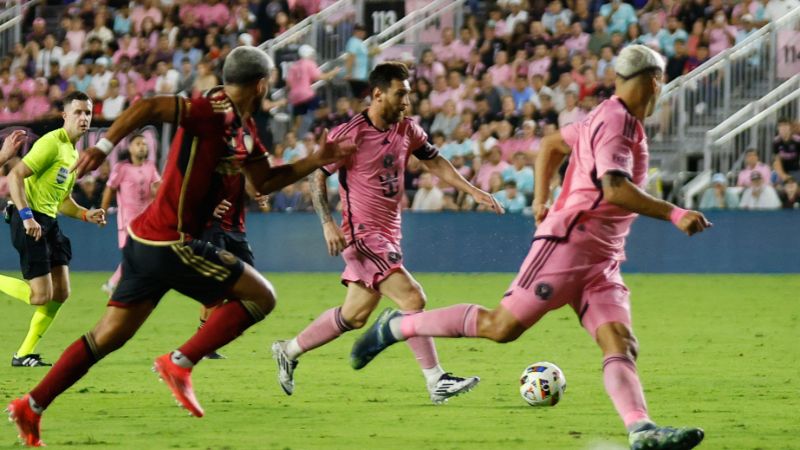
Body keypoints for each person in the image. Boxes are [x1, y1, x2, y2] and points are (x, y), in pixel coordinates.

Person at [350, 46, 709, 450]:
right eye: (661, 82)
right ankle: (395, 326)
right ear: (654, 81)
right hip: (569, 244)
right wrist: (675, 213)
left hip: (602, 259)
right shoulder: (616, 121)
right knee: (500, 328)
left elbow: (553, 143)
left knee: (620, 342)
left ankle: (641, 429)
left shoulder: (606, 116)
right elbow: (614, 187)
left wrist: (541, 199)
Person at [6, 46, 355, 447]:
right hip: (171, 241)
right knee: (262, 297)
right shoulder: (213, 109)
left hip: (146, 240)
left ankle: (31, 406)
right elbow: (152, 105)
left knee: (105, 337)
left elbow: (263, 182)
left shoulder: (243, 128)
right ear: (262, 85)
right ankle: (180, 362)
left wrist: (316, 159)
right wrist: (104, 147)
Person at [270, 62, 503, 404]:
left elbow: (433, 160)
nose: (407, 102)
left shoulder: (406, 128)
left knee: (354, 315)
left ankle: (287, 351)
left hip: (389, 233)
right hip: (363, 235)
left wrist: (473, 191)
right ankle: (436, 380)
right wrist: (326, 222)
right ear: (378, 94)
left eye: (408, 94)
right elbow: (317, 173)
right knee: (413, 298)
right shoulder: (349, 133)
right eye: (401, 94)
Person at [0, 92, 107, 369]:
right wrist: (26, 217)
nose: (84, 118)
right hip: (30, 218)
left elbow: (62, 202)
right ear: (65, 115)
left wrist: (85, 213)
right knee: (40, 296)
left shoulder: (73, 153)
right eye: (78, 112)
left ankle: (23, 354)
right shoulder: (52, 143)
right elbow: (15, 176)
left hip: (48, 221)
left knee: (61, 292)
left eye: (88, 113)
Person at [99, 134, 161, 294]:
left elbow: (159, 187)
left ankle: (115, 285)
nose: (142, 146)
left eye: (144, 144)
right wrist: (102, 211)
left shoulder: (151, 167)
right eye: (138, 143)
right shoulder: (121, 168)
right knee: (135, 255)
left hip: (147, 221)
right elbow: (109, 189)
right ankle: (116, 285)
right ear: (130, 148)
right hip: (128, 222)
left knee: (140, 255)